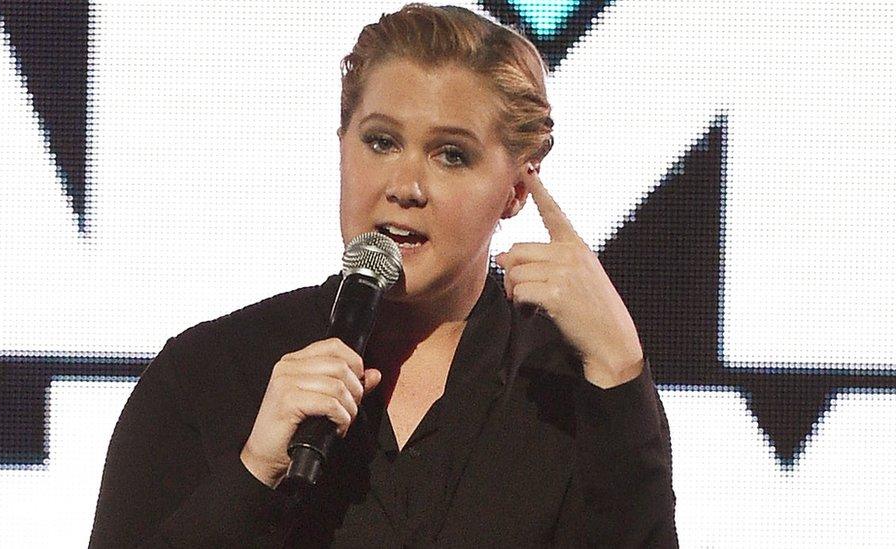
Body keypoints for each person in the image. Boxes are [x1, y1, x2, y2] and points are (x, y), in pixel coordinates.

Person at [89, 4, 677, 547]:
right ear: (342, 145)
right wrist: (252, 475)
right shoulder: (210, 372)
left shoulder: (571, 391)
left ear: (517, 189)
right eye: (380, 142)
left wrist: (621, 367)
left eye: (451, 154)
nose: (404, 186)